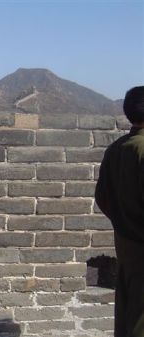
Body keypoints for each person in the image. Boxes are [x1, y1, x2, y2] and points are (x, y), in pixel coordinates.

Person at [95, 86, 144, 337]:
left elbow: (102, 197)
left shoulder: (116, 149)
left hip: (126, 246)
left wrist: (125, 222)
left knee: (128, 313)